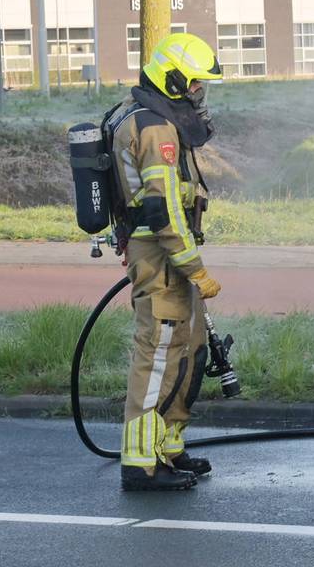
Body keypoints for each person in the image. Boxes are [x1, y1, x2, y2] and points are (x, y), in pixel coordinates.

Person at [110, 33, 224, 491]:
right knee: (158, 354)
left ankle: (169, 445)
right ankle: (141, 463)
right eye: (194, 83)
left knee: (188, 349)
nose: (199, 92)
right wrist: (195, 268)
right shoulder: (154, 128)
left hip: (170, 252)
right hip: (161, 254)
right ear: (172, 80)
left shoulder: (157, 118)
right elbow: (163, 209)